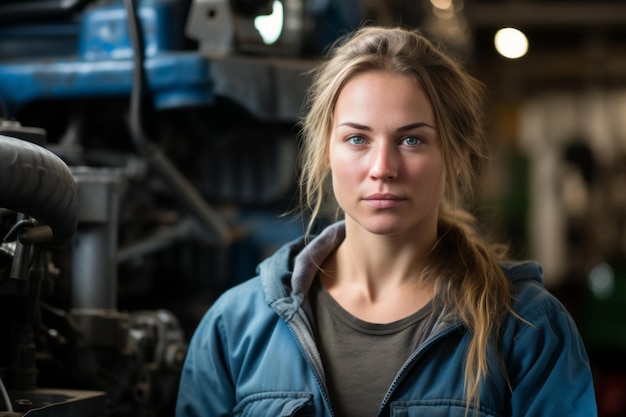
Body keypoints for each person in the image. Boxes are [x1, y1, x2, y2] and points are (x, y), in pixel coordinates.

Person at [175, 25, 597, 417]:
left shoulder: (527, 329)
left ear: (454, 154)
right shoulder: (236, 327)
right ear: (326, 150)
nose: (383, 167)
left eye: (411, 140)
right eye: (357, 138)